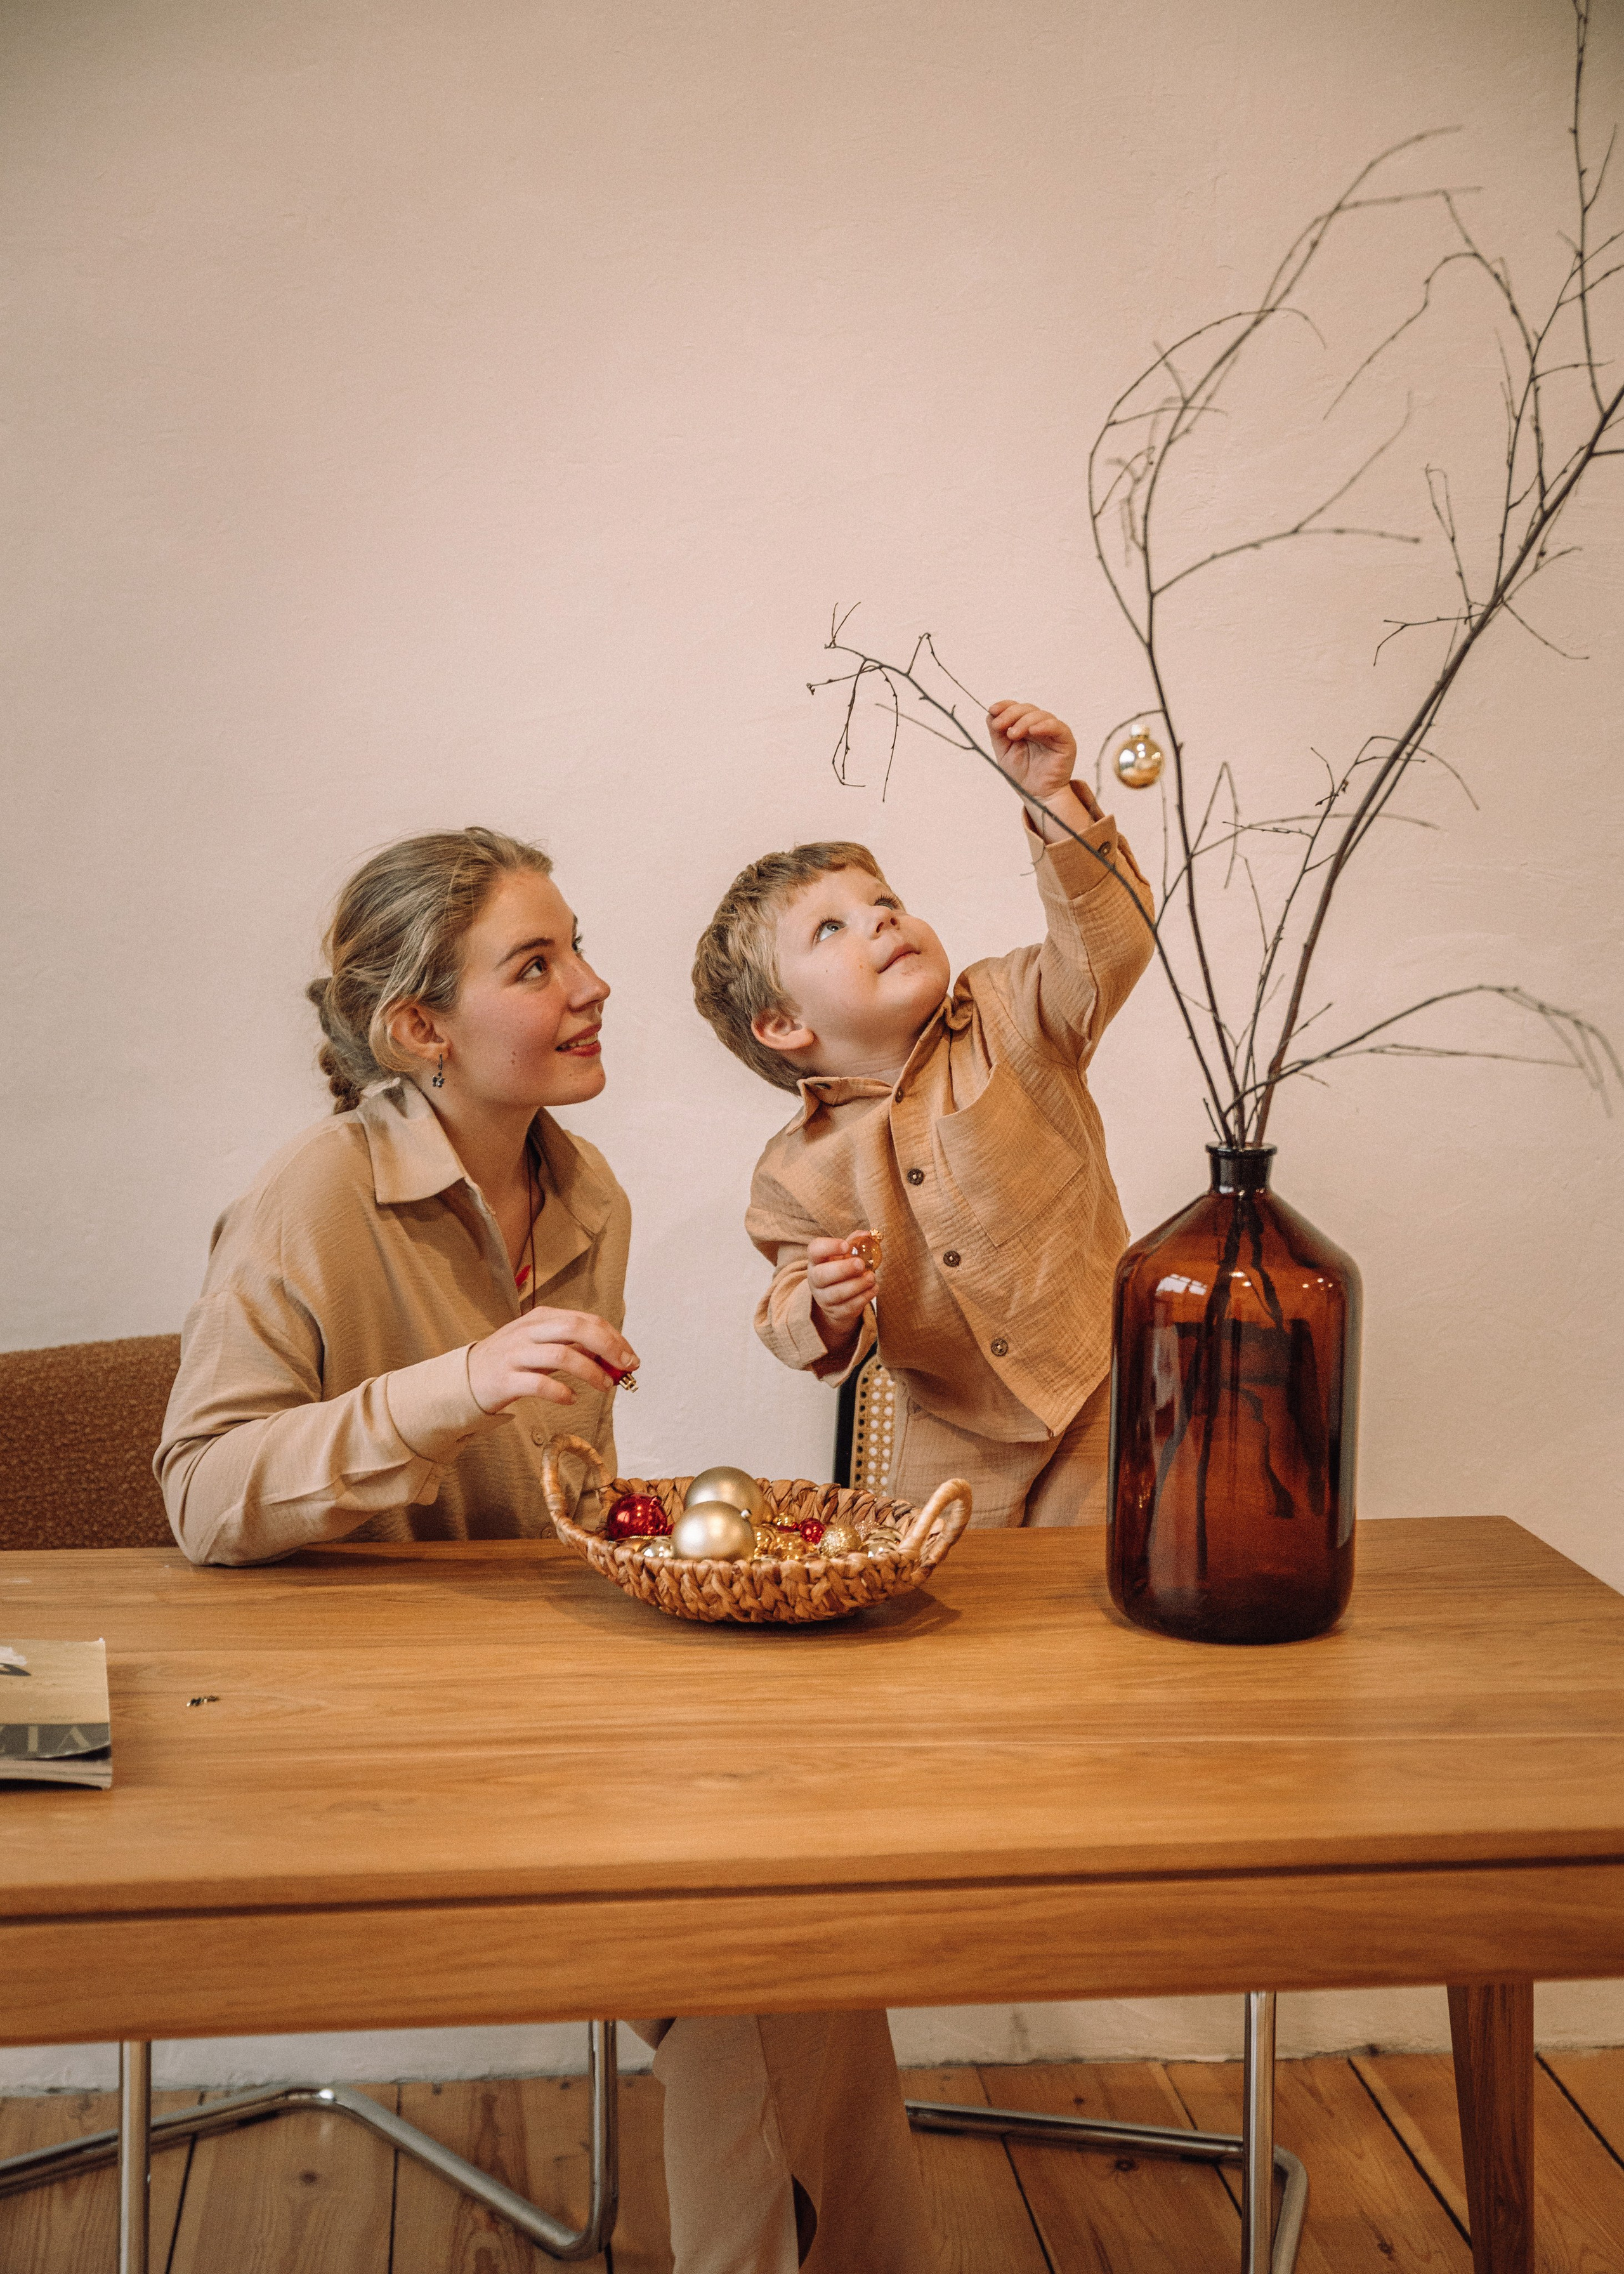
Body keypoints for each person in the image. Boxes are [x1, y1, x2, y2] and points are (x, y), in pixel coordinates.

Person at [158, 825, 939, 2274]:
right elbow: (202, 1493)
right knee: (750, 1954)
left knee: (800, 1909)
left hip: (533, 1712)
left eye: (576, 944)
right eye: (535, 964)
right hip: (332, 1746)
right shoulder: (309, 1196)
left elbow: (554, 1503)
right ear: (420, 1029)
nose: (590, 984)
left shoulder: (589, 1201)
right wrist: (455, 1384)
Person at [693, 702, 1154, 1530]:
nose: (881, 917)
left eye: (884, 899)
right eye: (831, 927)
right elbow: (792, 1317)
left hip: (1102, 1382)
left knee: (1093, 1585)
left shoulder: (1012, 1012)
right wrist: (827, 1304)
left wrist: (1055, 802)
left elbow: (1107, 948)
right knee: (936, 1606)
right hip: (954, 1431)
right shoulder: (794, 1172)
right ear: (786, 1025)